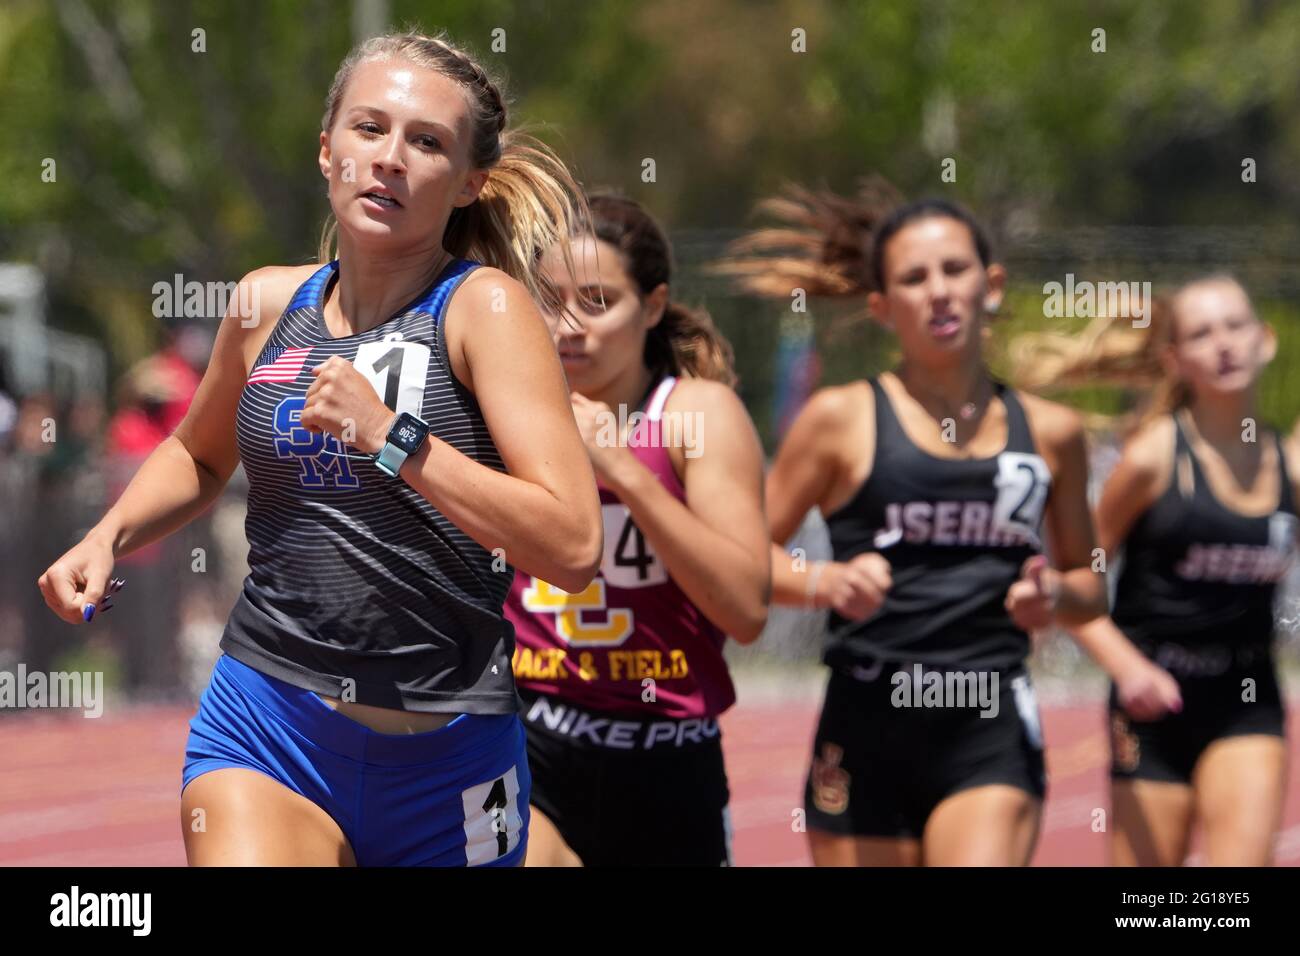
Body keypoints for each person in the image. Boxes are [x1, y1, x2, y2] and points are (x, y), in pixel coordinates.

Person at [37, 29, 603, 867]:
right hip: (269, 729)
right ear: (326, 149)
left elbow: (572, 543)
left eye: (426, 142)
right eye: (369, 129)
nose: (390, 159)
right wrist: (106, 535)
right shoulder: (265, 304)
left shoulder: (483, 312)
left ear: (469, 182)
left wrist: (392, 436)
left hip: (448, 755)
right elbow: (198, 456)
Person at [717, 183, 1106, 865]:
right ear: (882, 306)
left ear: (990, 285)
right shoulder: (840, 420)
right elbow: (739, 563)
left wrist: (1056, 599)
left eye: (955, 270)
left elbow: (1090, 585)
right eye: (914, 278)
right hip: (865, 723)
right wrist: (825, 582)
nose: (939, 291)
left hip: (989, 725)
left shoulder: (1053, 432)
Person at [505, 192, 770, 866]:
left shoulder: (697, 416)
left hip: (667, 758)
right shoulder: (504, 412)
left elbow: (744, 608)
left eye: (597, 302)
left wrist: (623, 471)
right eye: (550, 299)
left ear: (651, 307)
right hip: (533, 743)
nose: (569, 326)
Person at [1016, 275, 1297, 865]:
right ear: (1175, 358)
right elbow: (1082, 584)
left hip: (1247, 696)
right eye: (1201, 333)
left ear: (1264, 340)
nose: (1223, 344)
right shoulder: (1152, 459)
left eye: (1235, 326)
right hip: (1152, 704)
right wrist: (1127, 667)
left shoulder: (1290, 465)